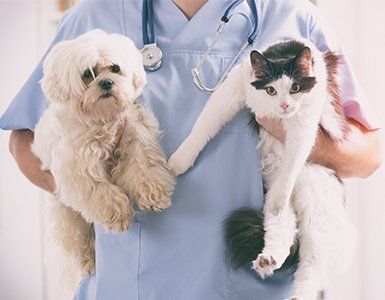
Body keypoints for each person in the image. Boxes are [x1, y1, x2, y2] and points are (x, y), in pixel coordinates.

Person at [2, 0, 382, 299]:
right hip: (131, 285)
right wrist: (83, 186)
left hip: (254, 283)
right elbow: (22, 139)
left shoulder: (292, 16)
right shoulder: (93, 15)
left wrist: (296, 135)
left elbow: (369, 154)